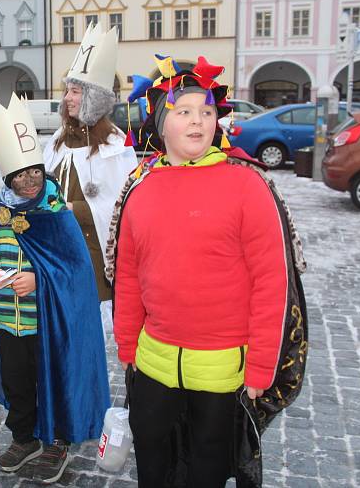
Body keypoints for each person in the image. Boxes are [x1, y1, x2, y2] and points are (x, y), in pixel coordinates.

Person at [107, 55, 307, 487]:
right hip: (154, 364)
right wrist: (127, 347)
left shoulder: (246, 186)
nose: (198, 121)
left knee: (208, 471)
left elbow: (272, 283)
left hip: (222, 371)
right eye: (183, 112)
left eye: (207, 111)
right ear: (161, 124)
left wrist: (261, 368)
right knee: (154, 468)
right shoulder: (140, 188)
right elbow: (128, 276)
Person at [0, 93, 110, 484]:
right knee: (17, 382)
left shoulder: (56, 213)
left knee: (54, 379)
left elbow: (75, 269)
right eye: (20, 175)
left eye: (35, 172)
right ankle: (23, 437)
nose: (29, 181)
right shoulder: (0, 214)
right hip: (9, 322)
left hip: (48, 324)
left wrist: (39, 279)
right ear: (8, 179)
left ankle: (56, 443)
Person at [43, 23, 136, 332]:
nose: (68, 97)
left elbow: (125, 206)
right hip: (59, 249)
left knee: (88, 329)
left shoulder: (114, 143)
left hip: (94, 255)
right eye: (67, 90)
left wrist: (75, 209)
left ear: (93, 98)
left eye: (75, 91)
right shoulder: (58, 138)